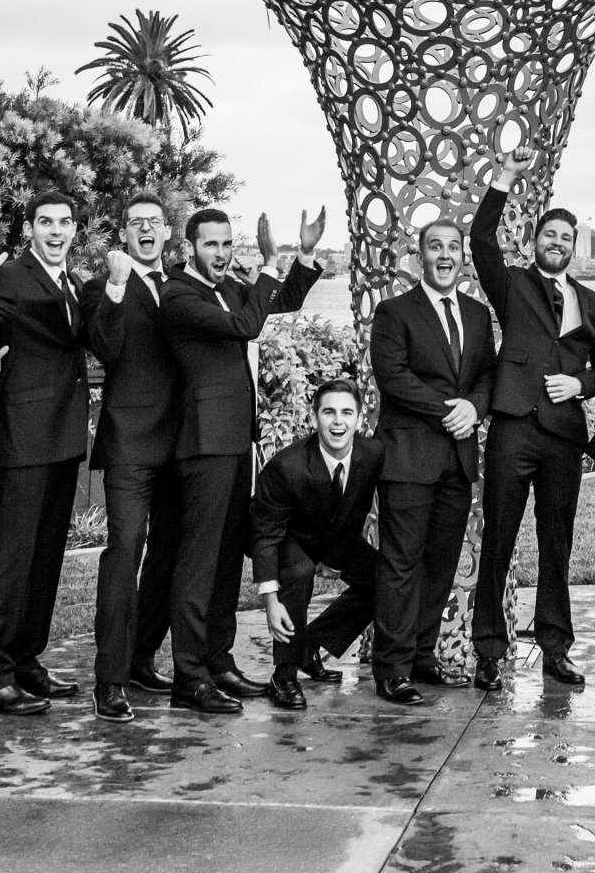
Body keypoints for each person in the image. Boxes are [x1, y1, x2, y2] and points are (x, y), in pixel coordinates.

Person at [161, 205, 324, 713]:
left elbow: (284, 301)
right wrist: (269, 263)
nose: (222, 253)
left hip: (235, 442)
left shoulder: (229, 287)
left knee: (229, 556)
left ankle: (218, 661)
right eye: (212, 244)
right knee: (198, 562)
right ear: (190, 247)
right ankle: (189, 676)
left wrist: (303, 253)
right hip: (203, 444)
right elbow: (249, 326)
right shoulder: (178, 295)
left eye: (228, 243)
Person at [466, 144, 595, 691]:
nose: (557, 243)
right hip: (512, 429)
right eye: (549, 235)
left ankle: (556, 648)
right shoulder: (513, 286)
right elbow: (481, 241)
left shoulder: (592, 302)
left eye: (566, 238)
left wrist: (582, 383)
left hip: (562, 436)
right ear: (535, 243)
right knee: (499, 538)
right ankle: (489, 650)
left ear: (575, 248)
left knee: (558, 543)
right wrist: (504, 177)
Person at [0, 190, 93, 716]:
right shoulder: (11, 277)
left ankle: (25, 659)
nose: (56, 231)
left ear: (75, 229)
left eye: (65, 223)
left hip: (62, 439)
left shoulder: (76, 284)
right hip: (22, 439)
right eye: (46, 223)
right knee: (12, 559)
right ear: (29, 228)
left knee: (45, 559)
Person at [368, 219, 494, 705]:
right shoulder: (394, 312)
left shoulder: (478, 315)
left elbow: (487, 372)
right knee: (401, 564)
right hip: (408, 456)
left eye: (453, 247)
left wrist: (476, 407)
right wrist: (452, 411)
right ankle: (392, 668)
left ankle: (422, 656)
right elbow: (392, 377)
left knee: (440, 564)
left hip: (457, 460)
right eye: (435, 247)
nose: (445, 255)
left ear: (463, 256)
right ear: (420, 256)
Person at [83, 192, 186, 722]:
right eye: (135, 223)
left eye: (154, 222)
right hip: (131, 445)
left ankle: (144, 657)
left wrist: (300, 266)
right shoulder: (103, 288)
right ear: (123, 235)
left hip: (183, 447)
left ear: (168, 233)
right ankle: (110, 681)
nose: (145, 229)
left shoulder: (184, 286)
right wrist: (119, 288)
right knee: (124, 556)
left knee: (170, 557)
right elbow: (105, 346)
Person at [251, 378, 385, 711]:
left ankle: (310, 643)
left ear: (358, 417)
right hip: (286, 536)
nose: (338, 422)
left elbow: (354, 511)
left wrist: (337, 558)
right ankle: (283, 675)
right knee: (299, 571)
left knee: (385, 577)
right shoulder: (286, 466)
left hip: (333, 536)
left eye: (346, 413)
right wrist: (270, 600)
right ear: (314, 418)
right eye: (329, 412)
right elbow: (266, 536)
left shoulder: (372, 454)